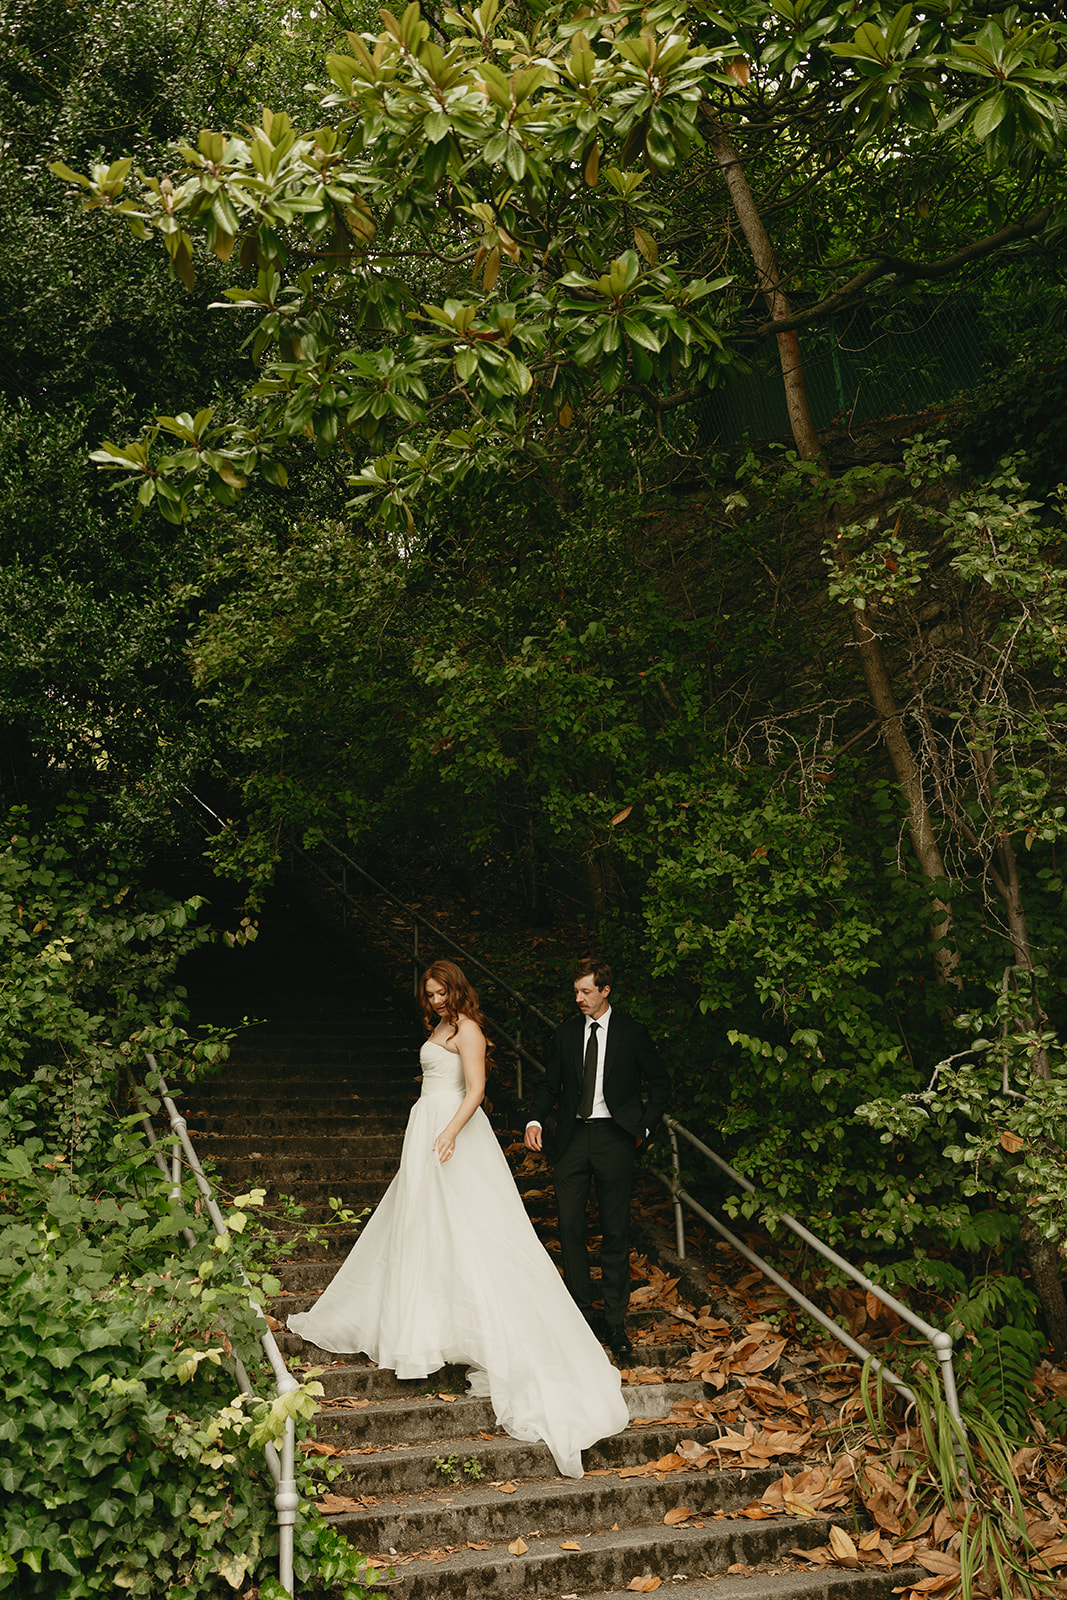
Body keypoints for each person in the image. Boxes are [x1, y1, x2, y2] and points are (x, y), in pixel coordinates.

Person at [287, 959, 629, 1479]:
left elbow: (475, 1089)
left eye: (442, 993)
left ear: (456, 990)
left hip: (454, 1132)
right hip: (423, 1125)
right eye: (429, 994)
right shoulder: (438, 1027)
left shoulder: (468, 1029)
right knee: (420, 1227)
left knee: (470, 1230)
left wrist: (448, 1132)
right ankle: (418, 1329)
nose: (436, 1001)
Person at [524, 959, 670, 1361]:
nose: (579, 999)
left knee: (615, 1230)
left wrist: (643, 1129)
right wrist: (535, 1118)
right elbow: (550, 1082)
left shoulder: (632, 1033)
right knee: (569, 1226)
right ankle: (581, 1317)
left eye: (586, 992)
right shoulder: (567, 1034)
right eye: (576, 992)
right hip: (572, 1139)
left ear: (605, 991)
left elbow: (660, 1084)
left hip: (615, 1138)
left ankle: (615, 1321)